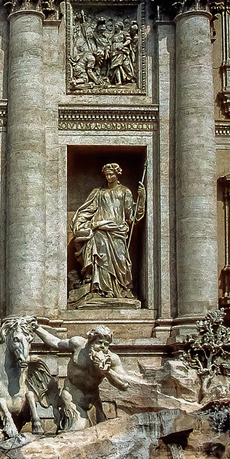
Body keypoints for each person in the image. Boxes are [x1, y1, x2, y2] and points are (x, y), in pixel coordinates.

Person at [69, 162, 144, 304]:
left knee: (121, 261)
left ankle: (121, 289)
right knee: (100, 257)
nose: (109, 177)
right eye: (107, 174)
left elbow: (132, 217)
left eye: (111, 174)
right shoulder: (98, 192)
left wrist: (141, 199)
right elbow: (87, 210)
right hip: (100, 231)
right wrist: (79, 223)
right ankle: (100, 290)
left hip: (118, 231)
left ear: (117, 175)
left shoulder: (125, 192)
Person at [34, 322, 130, 430]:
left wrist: (107, 372)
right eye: (99, 343)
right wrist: (37, 328)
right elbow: (56, 343)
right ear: (90, 341)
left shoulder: (112, 359)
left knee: (100, 434)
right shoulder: (78, 344)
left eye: (106, 344)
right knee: (78, 429)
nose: (103, 347)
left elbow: (124, 385)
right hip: (72, 394)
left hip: (92, 399)